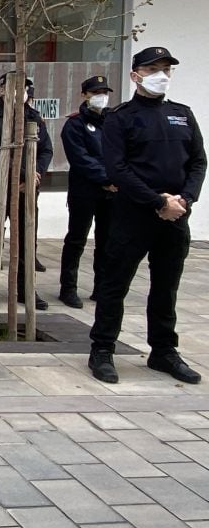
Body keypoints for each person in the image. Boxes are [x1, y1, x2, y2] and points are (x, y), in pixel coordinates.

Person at [89, 47, 206, 385]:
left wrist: (184, 198)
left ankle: (164, 351)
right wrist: (157, 201)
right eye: (153, 68)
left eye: (167, 69)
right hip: (133, 214)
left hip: (175, 216)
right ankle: (102, 348)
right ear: (135, 75)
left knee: (166, 286)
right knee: (115, 284)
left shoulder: (183, 114)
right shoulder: (121, 117)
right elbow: (118, 168)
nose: (161, 75)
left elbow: (198, 162)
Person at [0, 72, 53, 310]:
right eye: (13, 87)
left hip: (25, 188)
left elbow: (45, 150)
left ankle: (25, 288)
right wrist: (23, 172)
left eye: (24, 87)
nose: (19, 92)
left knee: (27, 239)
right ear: (2, 90)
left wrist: (33, 173)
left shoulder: (34, 118)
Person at [58, 75, 116, 309]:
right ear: (84, 95)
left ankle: (101, 288)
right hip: (85, 190)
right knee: (76, 239)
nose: (100, 97)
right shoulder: (75, 124)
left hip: (112, 192)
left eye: (104, 92)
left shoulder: (113, 121)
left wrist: (117, 180)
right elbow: (80, 158)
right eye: (95, 93)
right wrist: (106, 178)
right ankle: (68, 288)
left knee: (107, 241)